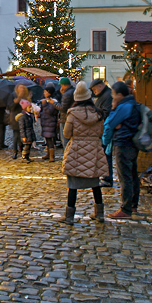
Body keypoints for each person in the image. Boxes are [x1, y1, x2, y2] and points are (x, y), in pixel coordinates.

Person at [58, 81, 109, 225]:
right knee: (95, 183)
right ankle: (99, 214)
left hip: (77, 150)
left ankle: (69, 216)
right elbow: (100, 133)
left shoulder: (72, 114)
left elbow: (67, 133)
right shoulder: (98, 114)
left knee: (73, 184)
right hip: (94, 149)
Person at [102, 81, 141, 219]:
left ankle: (126, 208)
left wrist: (113, 109)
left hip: (123, 143)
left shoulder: (123, 107)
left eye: (113, 95)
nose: (112, 98)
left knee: (125, 176)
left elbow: (110, 122)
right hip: (132, 144)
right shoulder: (134, 104)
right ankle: (133, 205)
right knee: (132, 174)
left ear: (119, 94)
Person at [90, 78, 114, 187]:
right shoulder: (104, 95)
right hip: (103, 129)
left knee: (106, 154)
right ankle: (106, 176)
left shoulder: (107, 96)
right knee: (104, 154)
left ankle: (107, 178)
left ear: (100, 86)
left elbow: (106, 112)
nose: (94, 92)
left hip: (105, 130)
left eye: (95, 89)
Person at [8, 83, 29, 159]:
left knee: (23, 134)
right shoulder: (13, 95)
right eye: (20, 88)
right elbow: (10, 107)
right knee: (16, 135)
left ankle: (22, 148)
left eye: (23, 88)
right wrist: (18, 99)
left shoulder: (26, 96)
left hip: (24, 117)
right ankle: (15, 151)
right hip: (15, 117)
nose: (22, 89)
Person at [39, 83, 59, 162]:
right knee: (47, 139)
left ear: (49, 92)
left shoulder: (52, 101)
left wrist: (44, 105)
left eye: (45, 92)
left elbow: (50, 111)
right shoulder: (45, 100)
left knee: (50, 139)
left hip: (50, 122)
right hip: (46, 122)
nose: (44, 93)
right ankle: (48, 154)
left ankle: (52, 156)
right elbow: (44, 112)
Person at [54, 77, 75, 148]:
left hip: (65, 118)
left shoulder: (67, 94)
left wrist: (54, 103)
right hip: (70, 117)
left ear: (63, 85)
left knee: (65, 138)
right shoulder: (72, 91)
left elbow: (62, 108)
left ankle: (67, 156)